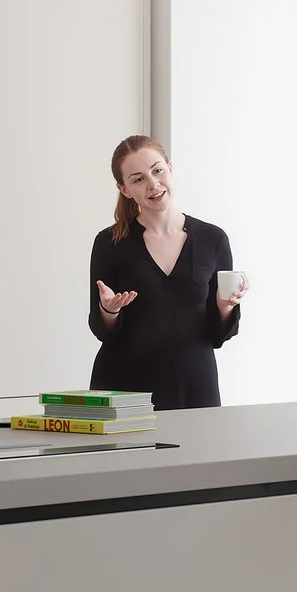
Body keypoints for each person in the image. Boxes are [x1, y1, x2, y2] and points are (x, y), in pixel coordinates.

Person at [88, 136, 243, 410]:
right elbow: (103, 331)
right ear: (124, 189)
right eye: (138, 179)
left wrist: (224, 307)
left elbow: (218, 335)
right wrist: (109, 310)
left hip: (194, 388)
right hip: (125, 391)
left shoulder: (213, 239)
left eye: (157, 170)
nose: (153, 184)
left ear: (170, 167)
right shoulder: (109, 243)